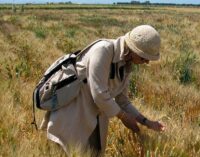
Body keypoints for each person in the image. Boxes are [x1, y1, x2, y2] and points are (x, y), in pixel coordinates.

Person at [40, 25, 165, 156]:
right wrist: (123, 117)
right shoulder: (103, 50)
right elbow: (99, 93)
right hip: (74, 115)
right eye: (144, 58)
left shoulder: (126, 64)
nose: (146, 62)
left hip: (96, 118)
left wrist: (147, 122)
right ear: (134, 50)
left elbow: (123, 101)